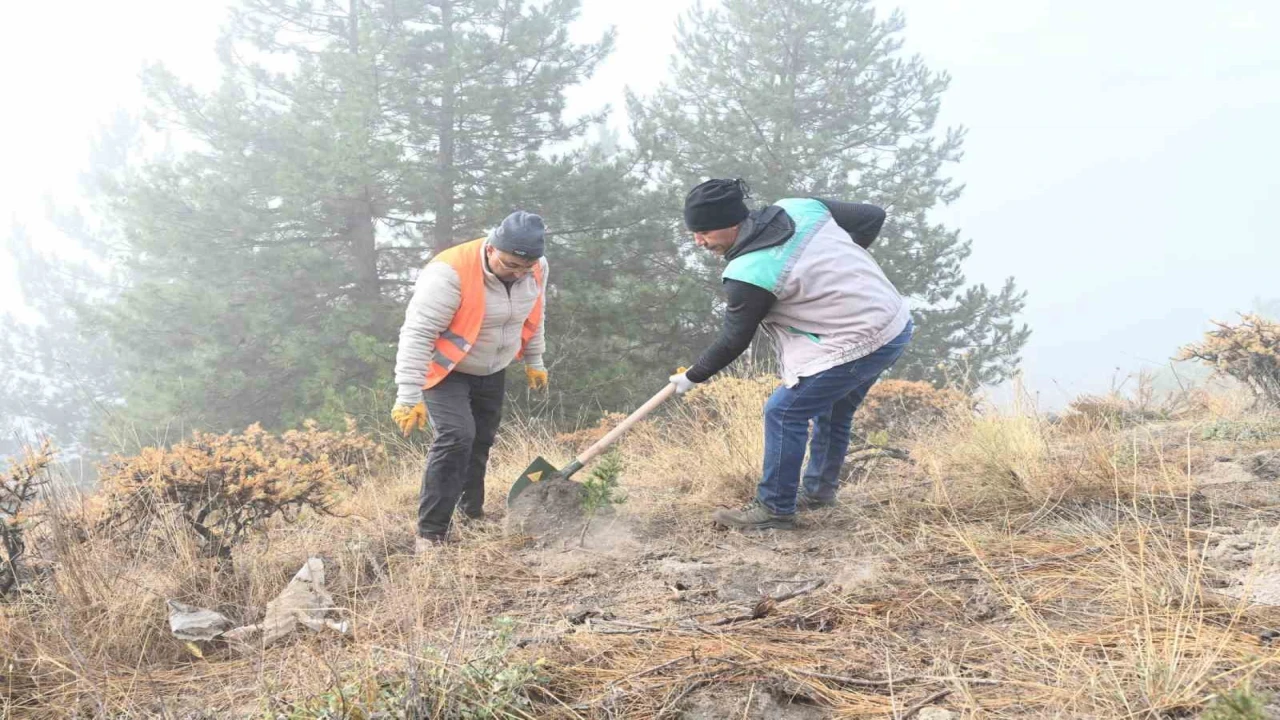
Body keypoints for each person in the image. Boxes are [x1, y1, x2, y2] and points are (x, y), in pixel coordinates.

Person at [670, 179, 913, 531]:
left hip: (857, 338)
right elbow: (870, 216)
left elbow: (734, 340)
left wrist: (693, 376)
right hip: (892, 323)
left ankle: (774, 509)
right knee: (833, 409)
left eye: (704, 231)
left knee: (783, 412)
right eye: (694, 232)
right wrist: (839, 272)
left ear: (731, 223)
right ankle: (818, 492)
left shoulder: (749, 273)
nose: (698, 241)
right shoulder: (800, 207)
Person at [392, 211, 550, 551]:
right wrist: (408, 396)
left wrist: (534, 359)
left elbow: (536, 313)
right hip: (446, 370)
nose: (519, 273)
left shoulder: (536, 267)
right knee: (456, 437)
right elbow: (418, 334)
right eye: (511, 265)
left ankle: (471, 513)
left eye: (526, 267)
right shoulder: (450, 273)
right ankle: (431, 534)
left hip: (492, 368)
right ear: (491, 249)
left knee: (480, 440)